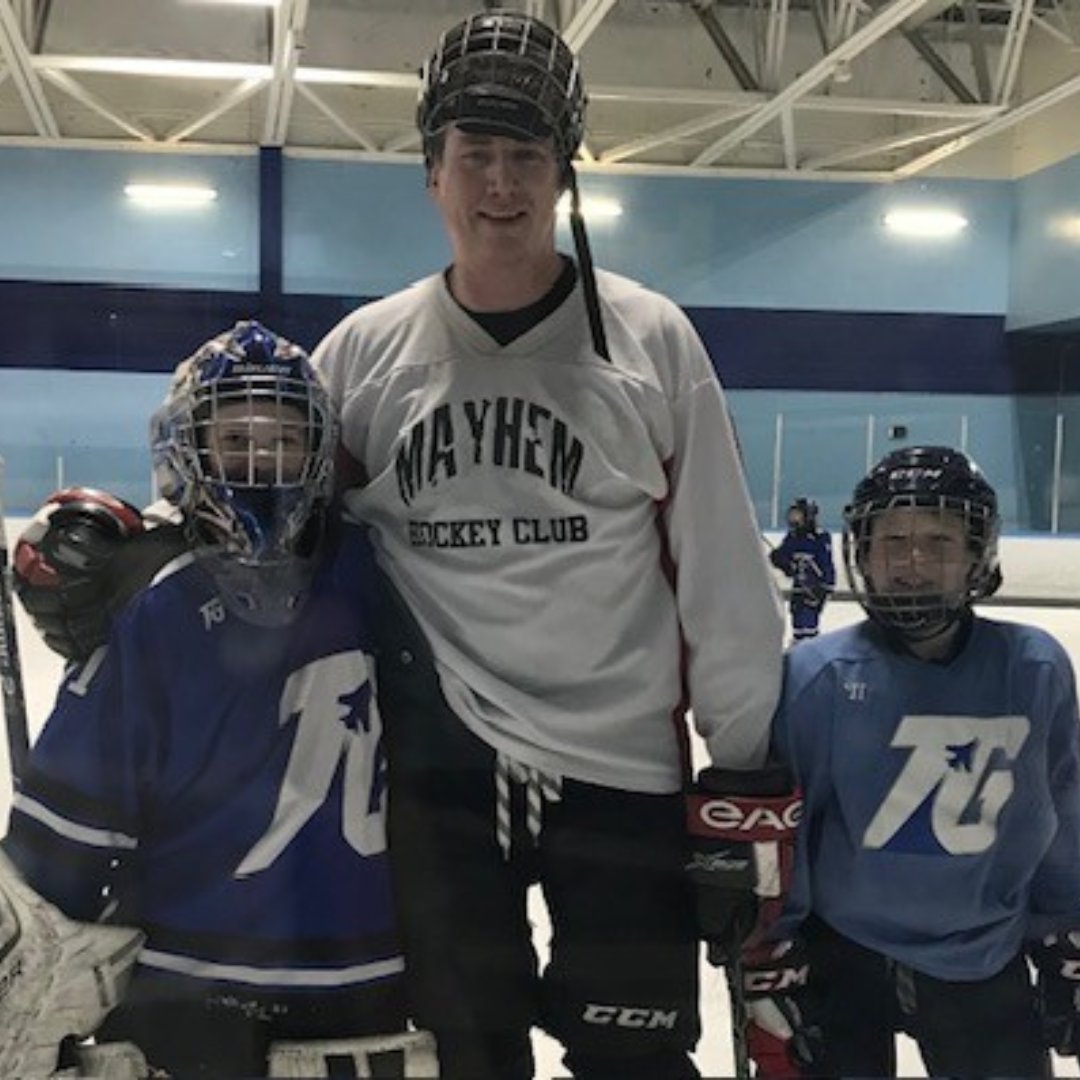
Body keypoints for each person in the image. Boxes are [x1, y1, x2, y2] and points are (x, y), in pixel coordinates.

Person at [311, 9, 785, 1079]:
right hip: (436, 776)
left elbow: (719, 572)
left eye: (526, 156)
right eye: (474, 156)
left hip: (621, 773)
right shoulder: (362, 357)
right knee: (462, 1058)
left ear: (565, 177)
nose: (500, 185)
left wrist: (742, 779)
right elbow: (280, 543)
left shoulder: (651, 341)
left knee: (635, 1061)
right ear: (432, 173)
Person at [0, 322, 437, 1079]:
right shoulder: (159, 609)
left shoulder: (376, 575)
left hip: (356, 985)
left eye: (283, 441)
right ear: (187, 451)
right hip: (189, 992)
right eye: (235, 441)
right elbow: (58, 851)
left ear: (320, 452)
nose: (260, 464)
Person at [757, 445, 1080, 1077]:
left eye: (939, 540)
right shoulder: (814, 677)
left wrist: (1065, 928)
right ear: (863, 551)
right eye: (893, 540)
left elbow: (1058, 811)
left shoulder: (1034, 667)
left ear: (978, 553)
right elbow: (788, 826)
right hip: (842, 951)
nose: (912, 562)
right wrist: (774, 943)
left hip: (982, 948)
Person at [768, 497, 835, 643]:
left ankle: (809, 647)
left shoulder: (819, 538)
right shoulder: (792, 538)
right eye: (792, 515)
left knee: (808, 622)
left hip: (813, 589)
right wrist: (780, 560)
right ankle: (799, 647)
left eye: (798, 515)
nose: (793, 520)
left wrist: (825, 587)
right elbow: (785, 557)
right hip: (799, 588)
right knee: (797, 618)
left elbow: (826, 565)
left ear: (808, 516)